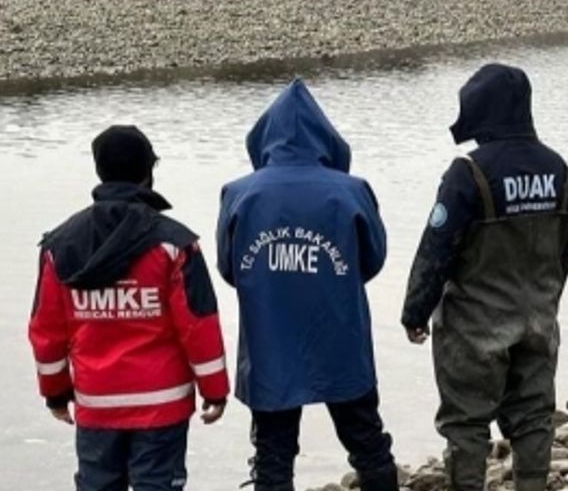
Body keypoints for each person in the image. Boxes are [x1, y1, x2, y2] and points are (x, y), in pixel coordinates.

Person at [402, 64, 568, 491]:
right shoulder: (562, 172)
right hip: (538, 321)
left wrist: (415, 311)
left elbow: (436, 247)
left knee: (466, 423)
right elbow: (565, 250)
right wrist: (548, 302)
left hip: (473, 329)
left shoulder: (469, 173)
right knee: (534, 418)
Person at [217, 80, 397, 491]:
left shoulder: (239, 194)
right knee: (368, 444)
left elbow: (230, 269)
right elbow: (373, 260)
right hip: (341, 339)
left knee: (272, 454)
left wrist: (272, 280)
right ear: (327, 138)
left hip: (270, 344)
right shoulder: (352, 191)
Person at [29, 125, 229, 490]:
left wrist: (55, 393)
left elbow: (46, 333)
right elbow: (199, 325)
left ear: (99, 171)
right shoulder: (175, 244)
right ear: (147, 174)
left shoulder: (59, 246)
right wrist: (214, 391)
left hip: (96, 403)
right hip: (162, 404)